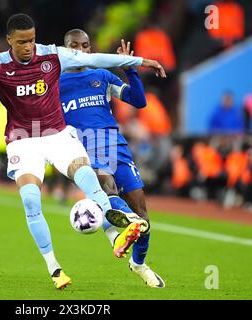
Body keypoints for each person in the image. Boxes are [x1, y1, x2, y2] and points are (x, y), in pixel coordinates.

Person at [0, 13, 165, 290]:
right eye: (22, 42)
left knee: (87, 177)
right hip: (23, 140)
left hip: (57, 134)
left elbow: (93, 59)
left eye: (32, 40)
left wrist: (138, 62)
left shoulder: (52, 56)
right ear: (10, 40)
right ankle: (54, 268)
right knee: (31, 201)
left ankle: (115, 239)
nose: (29, 47)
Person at [59, 29, 165, 288]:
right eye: (74, 46)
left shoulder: (102, 75)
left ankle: (139, 264)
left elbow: (138, 101)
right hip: (84, 148)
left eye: (85, 45)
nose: (80, 51)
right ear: (65, 50)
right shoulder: (55, 84)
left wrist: (129, 68)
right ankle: (127, 225)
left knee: (143, 213)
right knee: (106, 187)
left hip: (116, 145)